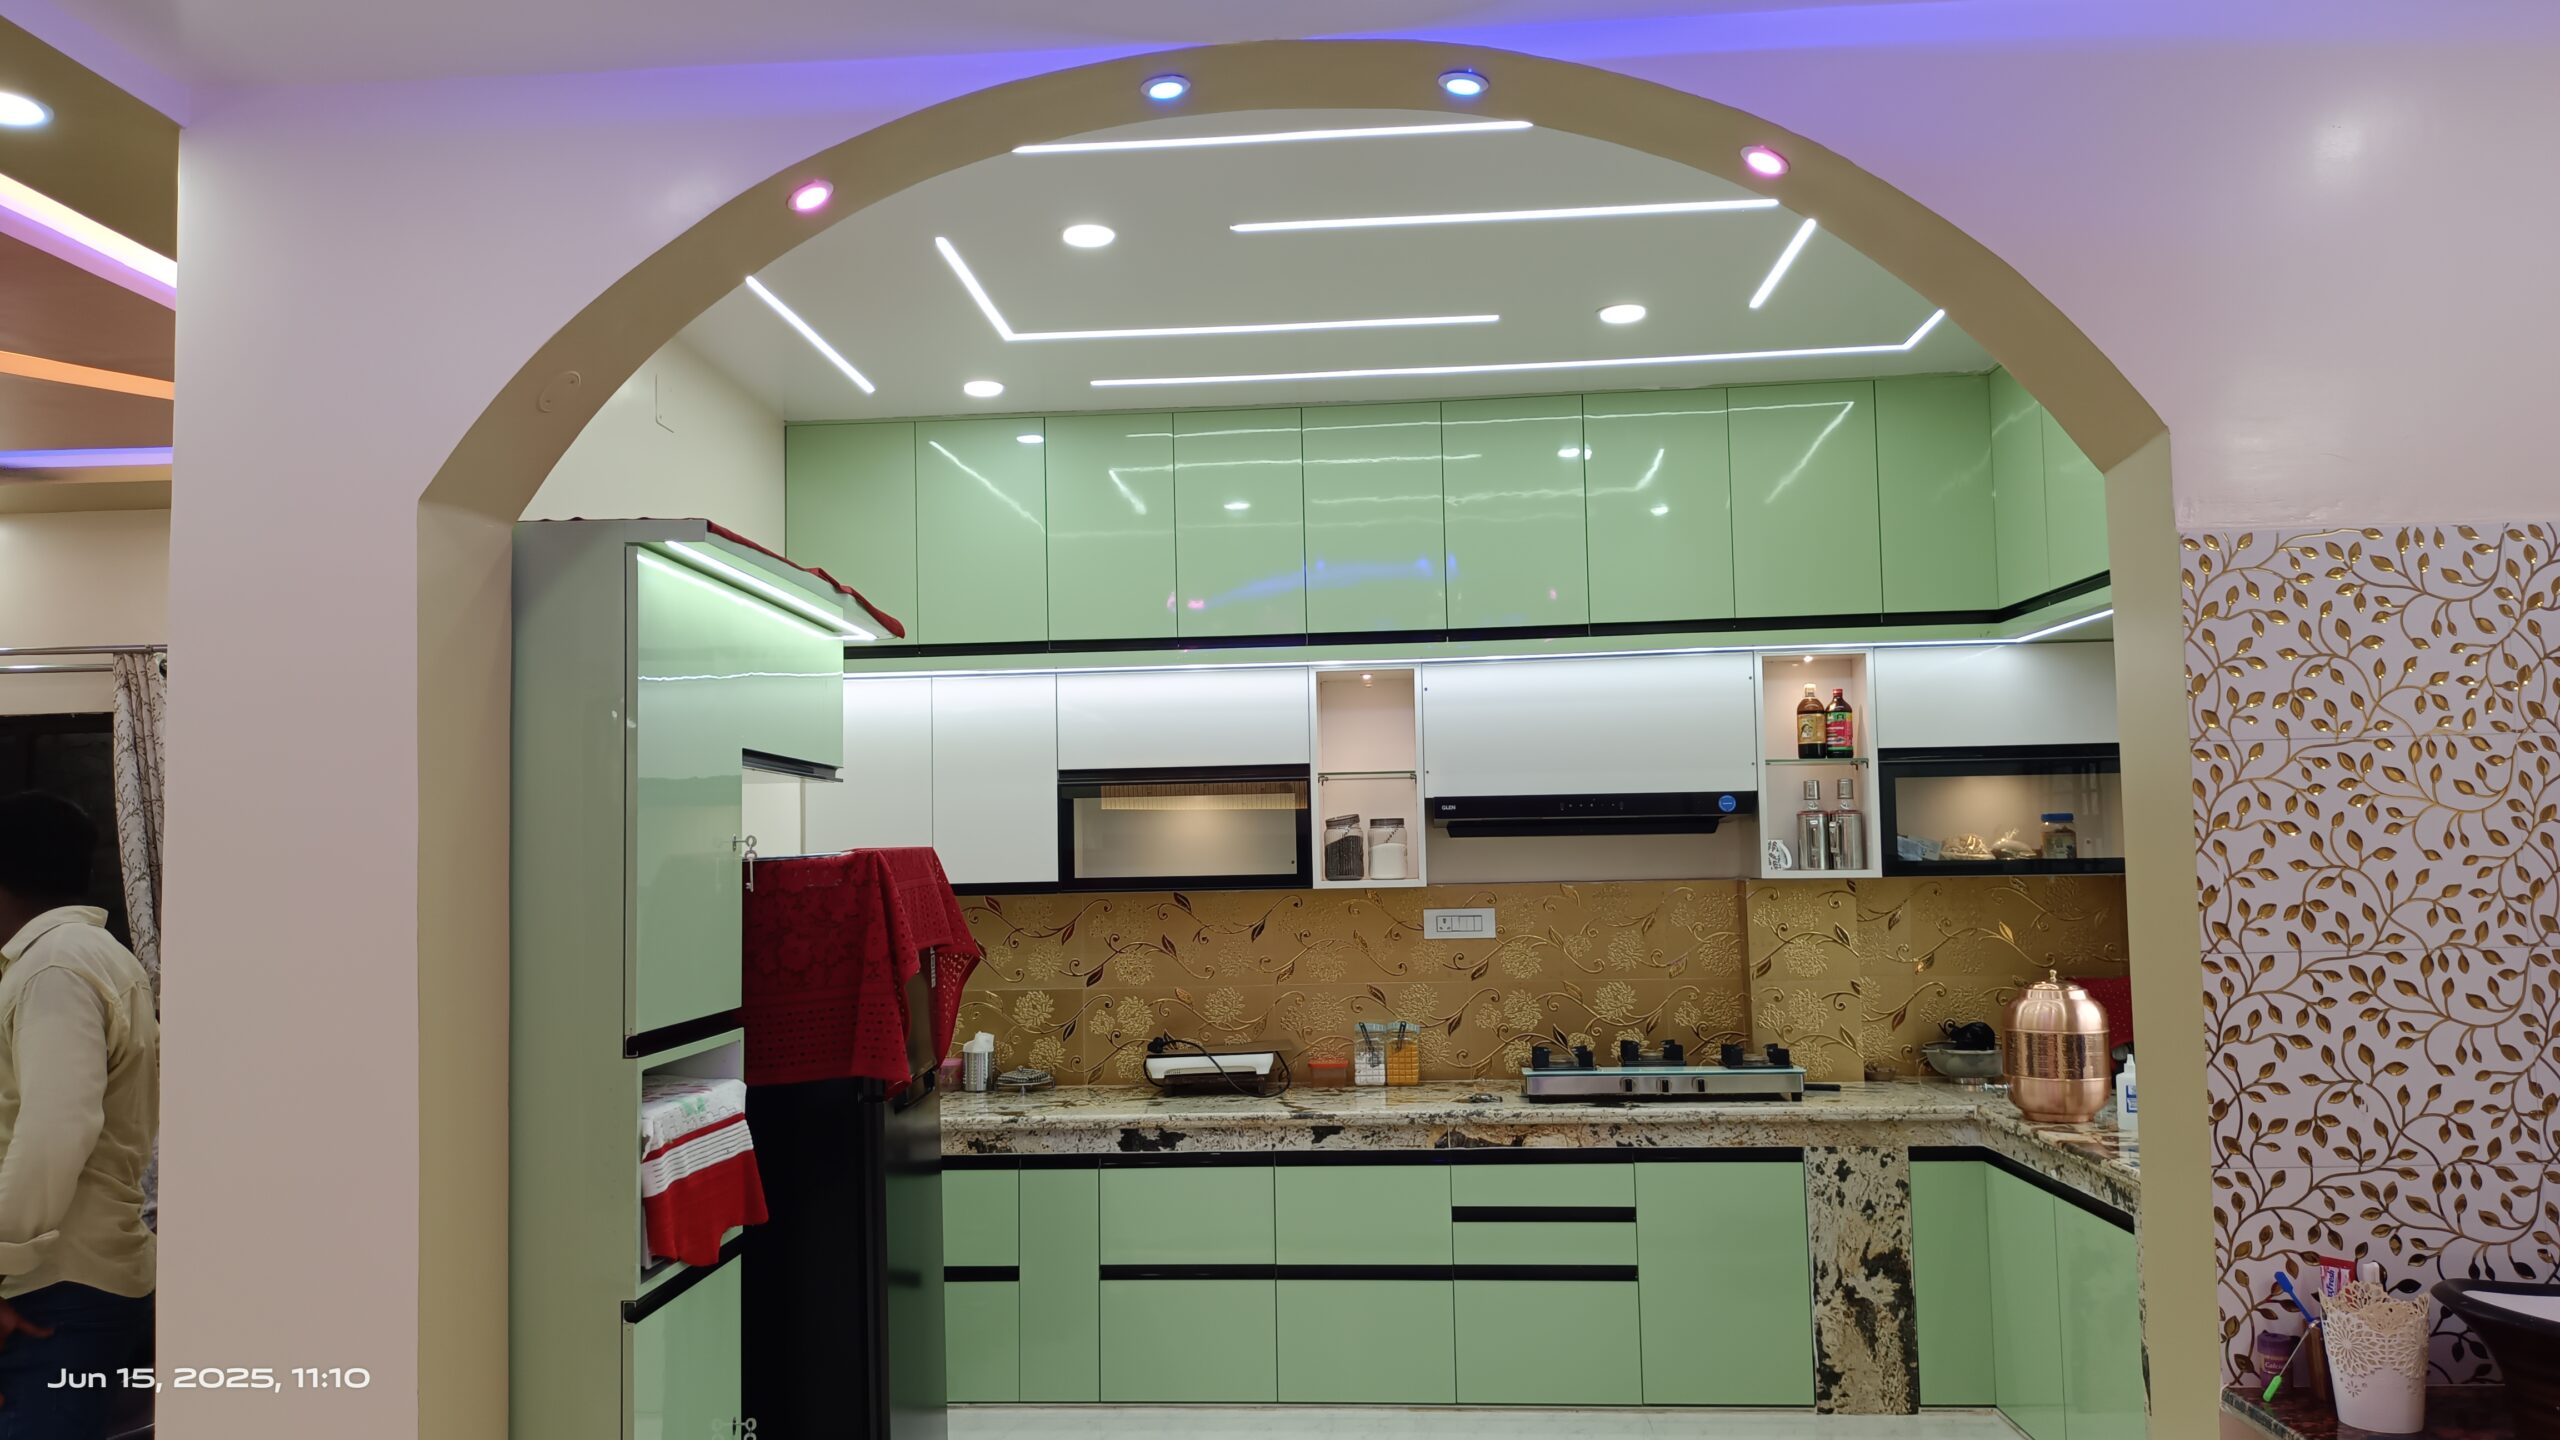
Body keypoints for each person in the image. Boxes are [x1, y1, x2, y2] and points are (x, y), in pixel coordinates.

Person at [0, 793, 157, 1437]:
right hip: (82, 1281)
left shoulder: (53, 968)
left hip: (54, 1289)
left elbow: (53, 1132)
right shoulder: (94, 955)